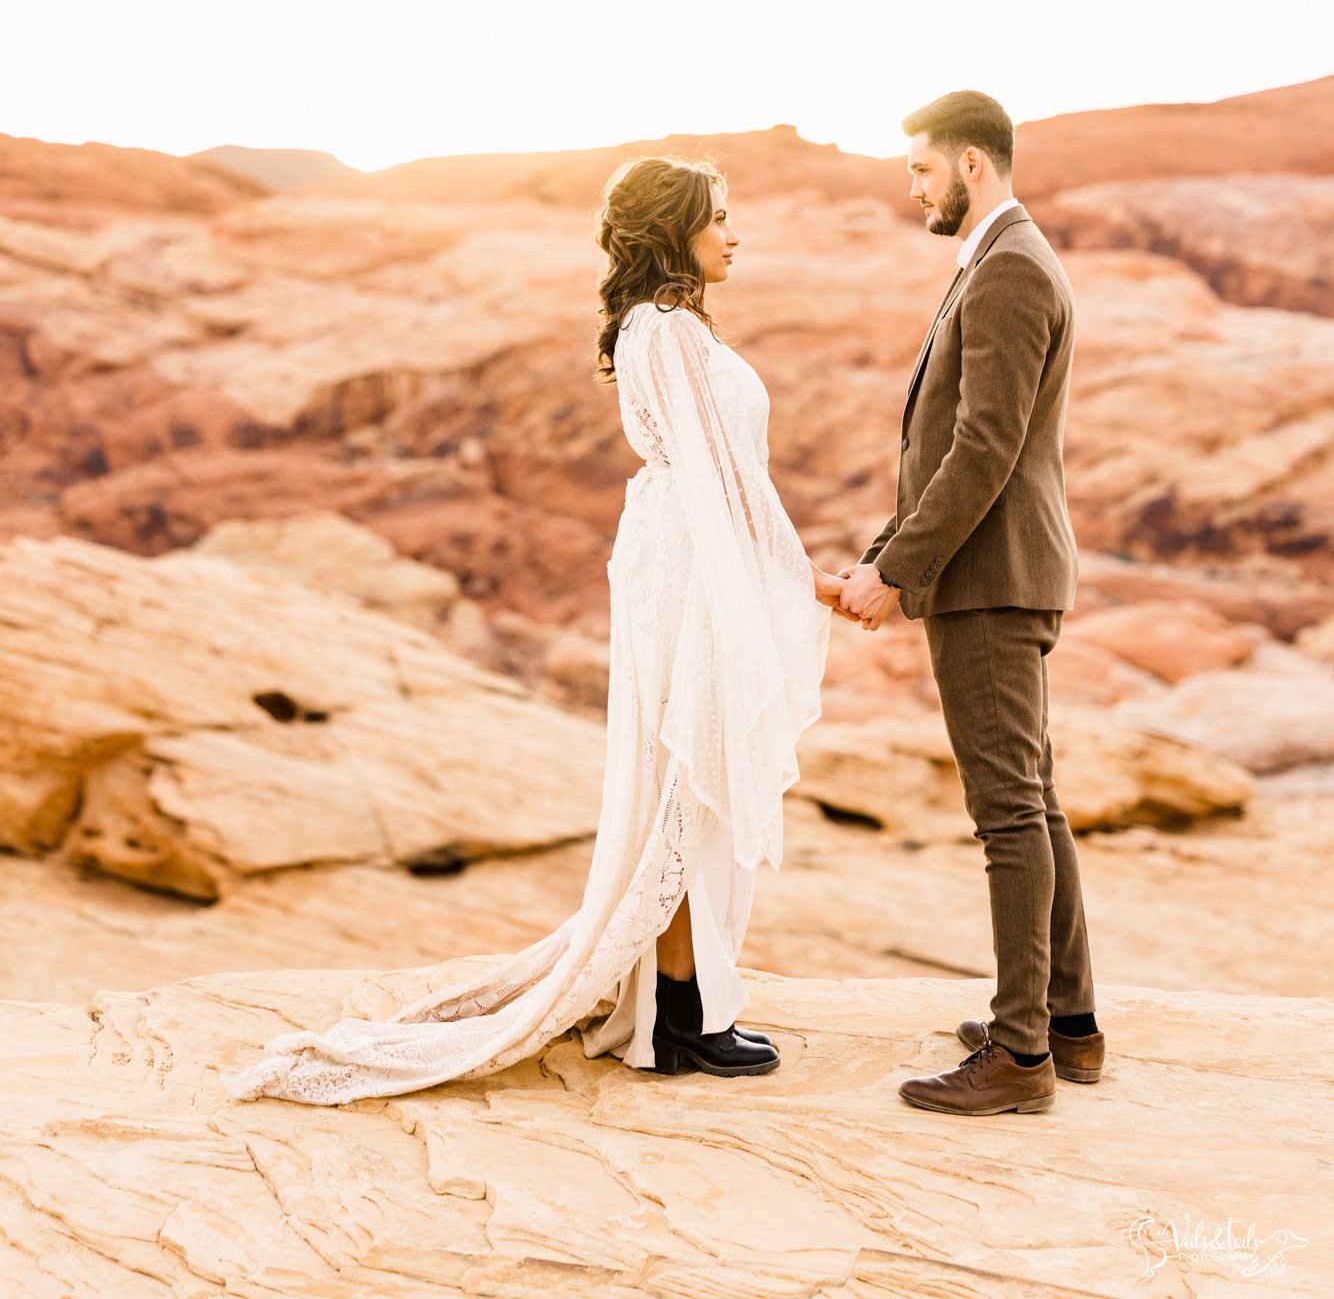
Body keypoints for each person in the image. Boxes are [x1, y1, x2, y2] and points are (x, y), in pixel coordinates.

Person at [224, 156, 837, 1106]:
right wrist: (802, 581)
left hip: (693, 549)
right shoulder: (665, 331)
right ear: (674, 231)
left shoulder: (666, 327)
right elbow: (724, 480)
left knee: (695, 777)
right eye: (719, 217)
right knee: (689, 775)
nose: (735, 233)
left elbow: (731, 477)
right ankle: (679, 1015)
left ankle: (683, 1003)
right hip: (695, 561)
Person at [838, 90, 1103, 1116]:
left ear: (970, 165)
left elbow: (981, 448)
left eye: (918, 170)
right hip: (997, 573)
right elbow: (953, 443)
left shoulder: (1007, 270)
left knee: (1006, 813)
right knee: (1033, 800)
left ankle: (1018, 1051)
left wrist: (899, 570)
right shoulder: (1007, 260)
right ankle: (1066, 1026)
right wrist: (885, 551)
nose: (911, 188)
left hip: (991, 583)